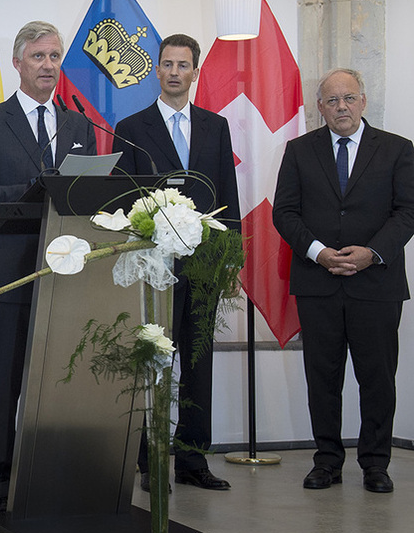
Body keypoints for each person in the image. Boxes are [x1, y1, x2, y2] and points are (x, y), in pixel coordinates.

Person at [0, 21, 96, 512]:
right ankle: (0, 485)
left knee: (63, 382)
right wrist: (35, 191)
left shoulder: (81, 125)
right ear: (17, 63)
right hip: (11, 273)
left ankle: (57, 474)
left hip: (69, 275)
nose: (48, 66)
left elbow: (87, 199)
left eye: (55, 56)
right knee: (7, 383)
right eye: (38, 57)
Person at [273, 68, 414, 493]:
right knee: (323, 378)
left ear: (363, 101)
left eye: (349, 98)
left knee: (377, 378)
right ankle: (327, 462)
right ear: (320, 108)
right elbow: (284, 212)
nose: (342, 108)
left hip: (377, 284)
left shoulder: (397, 150)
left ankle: (375, 464)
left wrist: (372, 253)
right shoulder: (299, 151)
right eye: (332, 101)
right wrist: (318, 252)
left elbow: (407, 211)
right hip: (318, 282)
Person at [111, 33, 239, 492]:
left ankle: (192, 461)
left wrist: (231, 259)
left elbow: (228, 194)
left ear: (195, 72)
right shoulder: (131, 126)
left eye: (182, 65)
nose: (174, 72)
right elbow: (123, 199)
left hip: (205, 265)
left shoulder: (215, 126)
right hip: (155, 266)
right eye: (166, 64)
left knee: (198, 365)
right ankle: (149, 461)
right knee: (153, 362)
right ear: (157, 70)